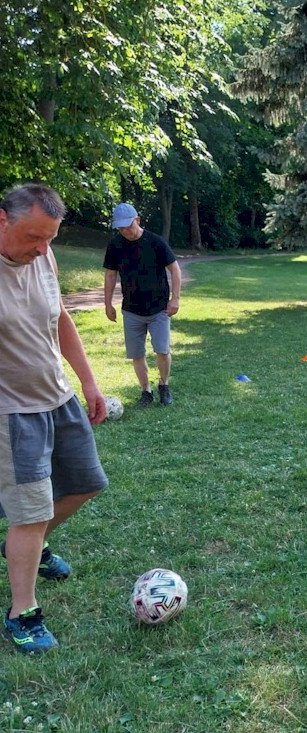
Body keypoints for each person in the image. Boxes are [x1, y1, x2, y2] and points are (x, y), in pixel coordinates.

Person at [0, 183, 109, 653]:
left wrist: (88, 381)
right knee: (30, 511)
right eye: (33, 238)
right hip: (12, 410)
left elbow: (60, 318)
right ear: (2, 220)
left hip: (57, 397)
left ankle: (27, 548)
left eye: (49, 239)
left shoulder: (44, 258)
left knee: (87, 483)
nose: (41, 249)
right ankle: (21, 613)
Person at [103, 203, 181, 407]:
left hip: (159, 308)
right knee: (136, 353)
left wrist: (175, 299)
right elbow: (111, 275)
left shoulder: (155, 242)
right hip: (131, 309)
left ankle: (164, 385)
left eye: (127, 226)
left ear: (137, 220)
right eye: (120, 228)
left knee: (162, 350)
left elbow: (175, 269)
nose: (124, 231)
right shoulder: (115, 245)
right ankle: (146, 391)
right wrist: (107, 303)